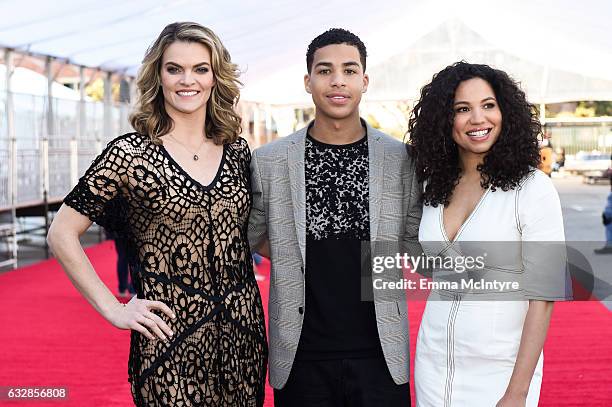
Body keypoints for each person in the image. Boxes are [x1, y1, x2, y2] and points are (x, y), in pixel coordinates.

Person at [47, 22, 267, 406]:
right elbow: (61, 233)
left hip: (242, 337)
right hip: (168, 343)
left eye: (201, 68)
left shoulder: (236, 152)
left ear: (216, 77)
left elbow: (250, 236)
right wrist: (114, 308)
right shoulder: (128, 155)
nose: (188, 80)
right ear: (158, 76)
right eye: (174, 68)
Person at [248, 28, 421, 406]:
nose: (337, 80)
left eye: (349, 70)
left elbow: (413, 240)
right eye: (325, 71)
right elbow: (255, 235)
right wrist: (296, 254)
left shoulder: (401, 160)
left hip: (381, 357)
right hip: (300, 357)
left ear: (365, 80)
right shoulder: (269, 161)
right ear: (308, 82)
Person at [409, 62, 570, 406]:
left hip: (501, 371)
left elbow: (543, 297)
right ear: (443, 120)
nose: (478, 119)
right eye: (462, 109)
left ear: (505, 112)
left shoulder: (532, 188)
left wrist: (517, 392)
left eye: (488, 105)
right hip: (433, 362)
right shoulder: (433, 185)